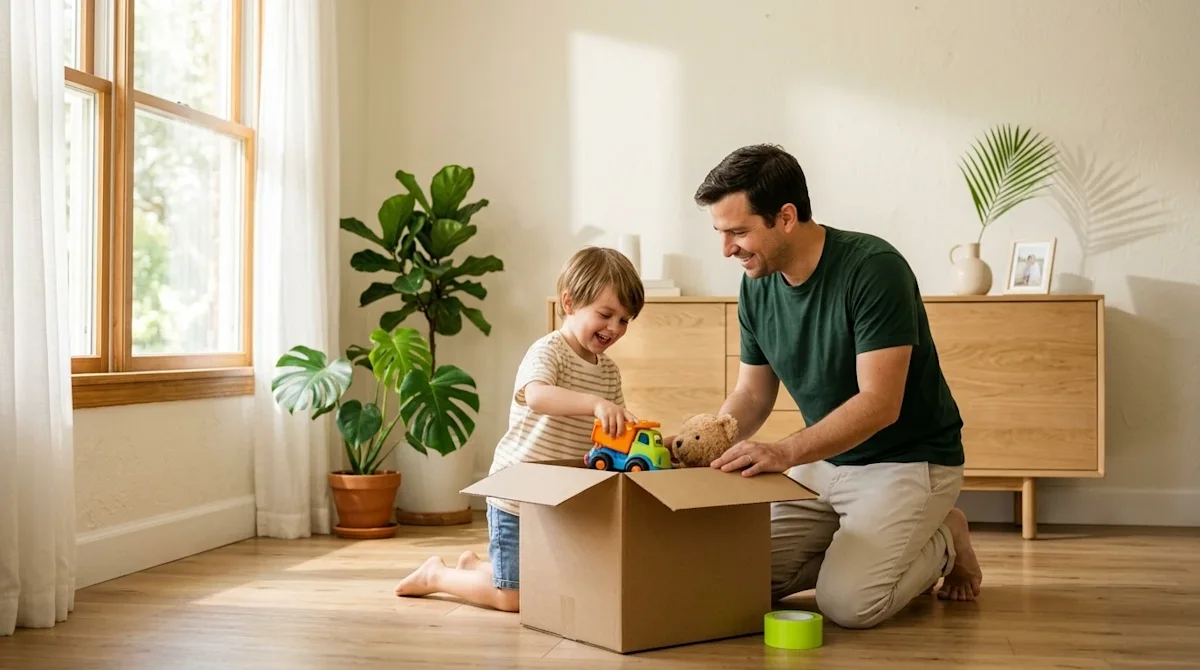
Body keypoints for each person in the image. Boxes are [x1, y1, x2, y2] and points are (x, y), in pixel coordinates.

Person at [675, 143, 983, 629]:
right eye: (720, 232)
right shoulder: (756, 283)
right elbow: (753, 395)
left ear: (786, 217)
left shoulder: (873, 268)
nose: (727, 249)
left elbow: (880, 404)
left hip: (907, 460)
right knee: (737, 578)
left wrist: (783, 453)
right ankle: (864, 550)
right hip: (825, 462)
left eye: (738, 231)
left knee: (848, 606)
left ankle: (946, 537)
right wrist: (711, 438)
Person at [394, 246, 645, 611]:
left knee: (550, 581)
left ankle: (478, 568)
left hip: (559, 499)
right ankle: (438, 575)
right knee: (515, 598)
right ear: (570, 302)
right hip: (518, 497)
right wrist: (594, 403)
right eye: (606, 314)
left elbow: (613, 427)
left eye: (624, 320)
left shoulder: (608, 371)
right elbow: (538, 396)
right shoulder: (548, 351)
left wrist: (640, 434)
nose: (614, 328)